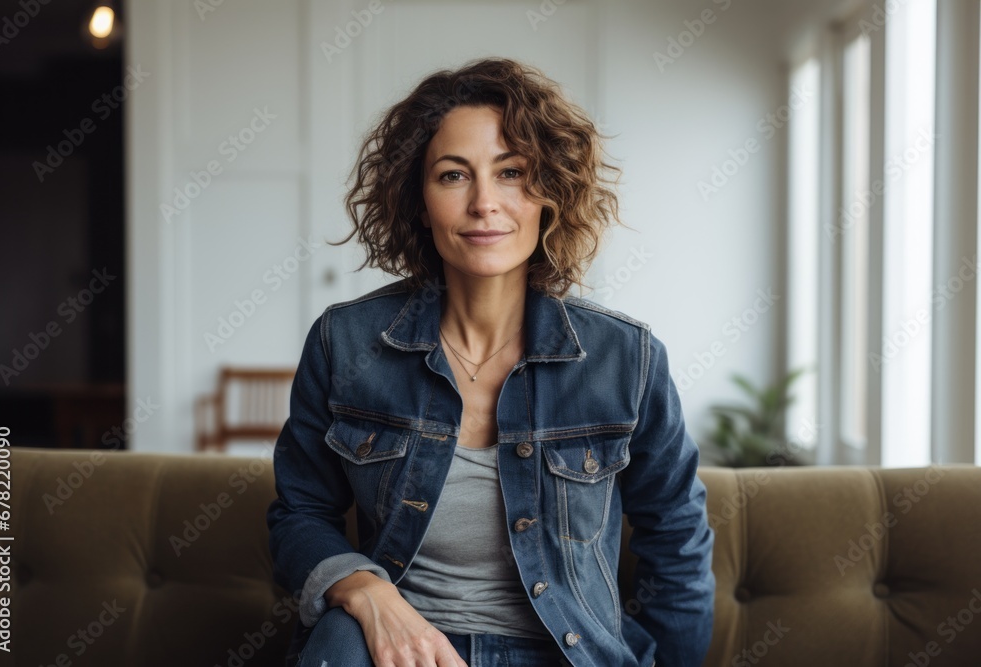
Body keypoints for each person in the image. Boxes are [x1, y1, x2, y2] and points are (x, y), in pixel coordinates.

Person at [266, 56, 715, 667]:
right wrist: (367, 592)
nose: (484, 203)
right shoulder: (344, 343)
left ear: (549, 194)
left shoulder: (626, 358)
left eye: (511, 173)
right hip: (398, 648)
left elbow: (677, 541)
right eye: (453, 175)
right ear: (419, 201)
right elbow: (299, 513)